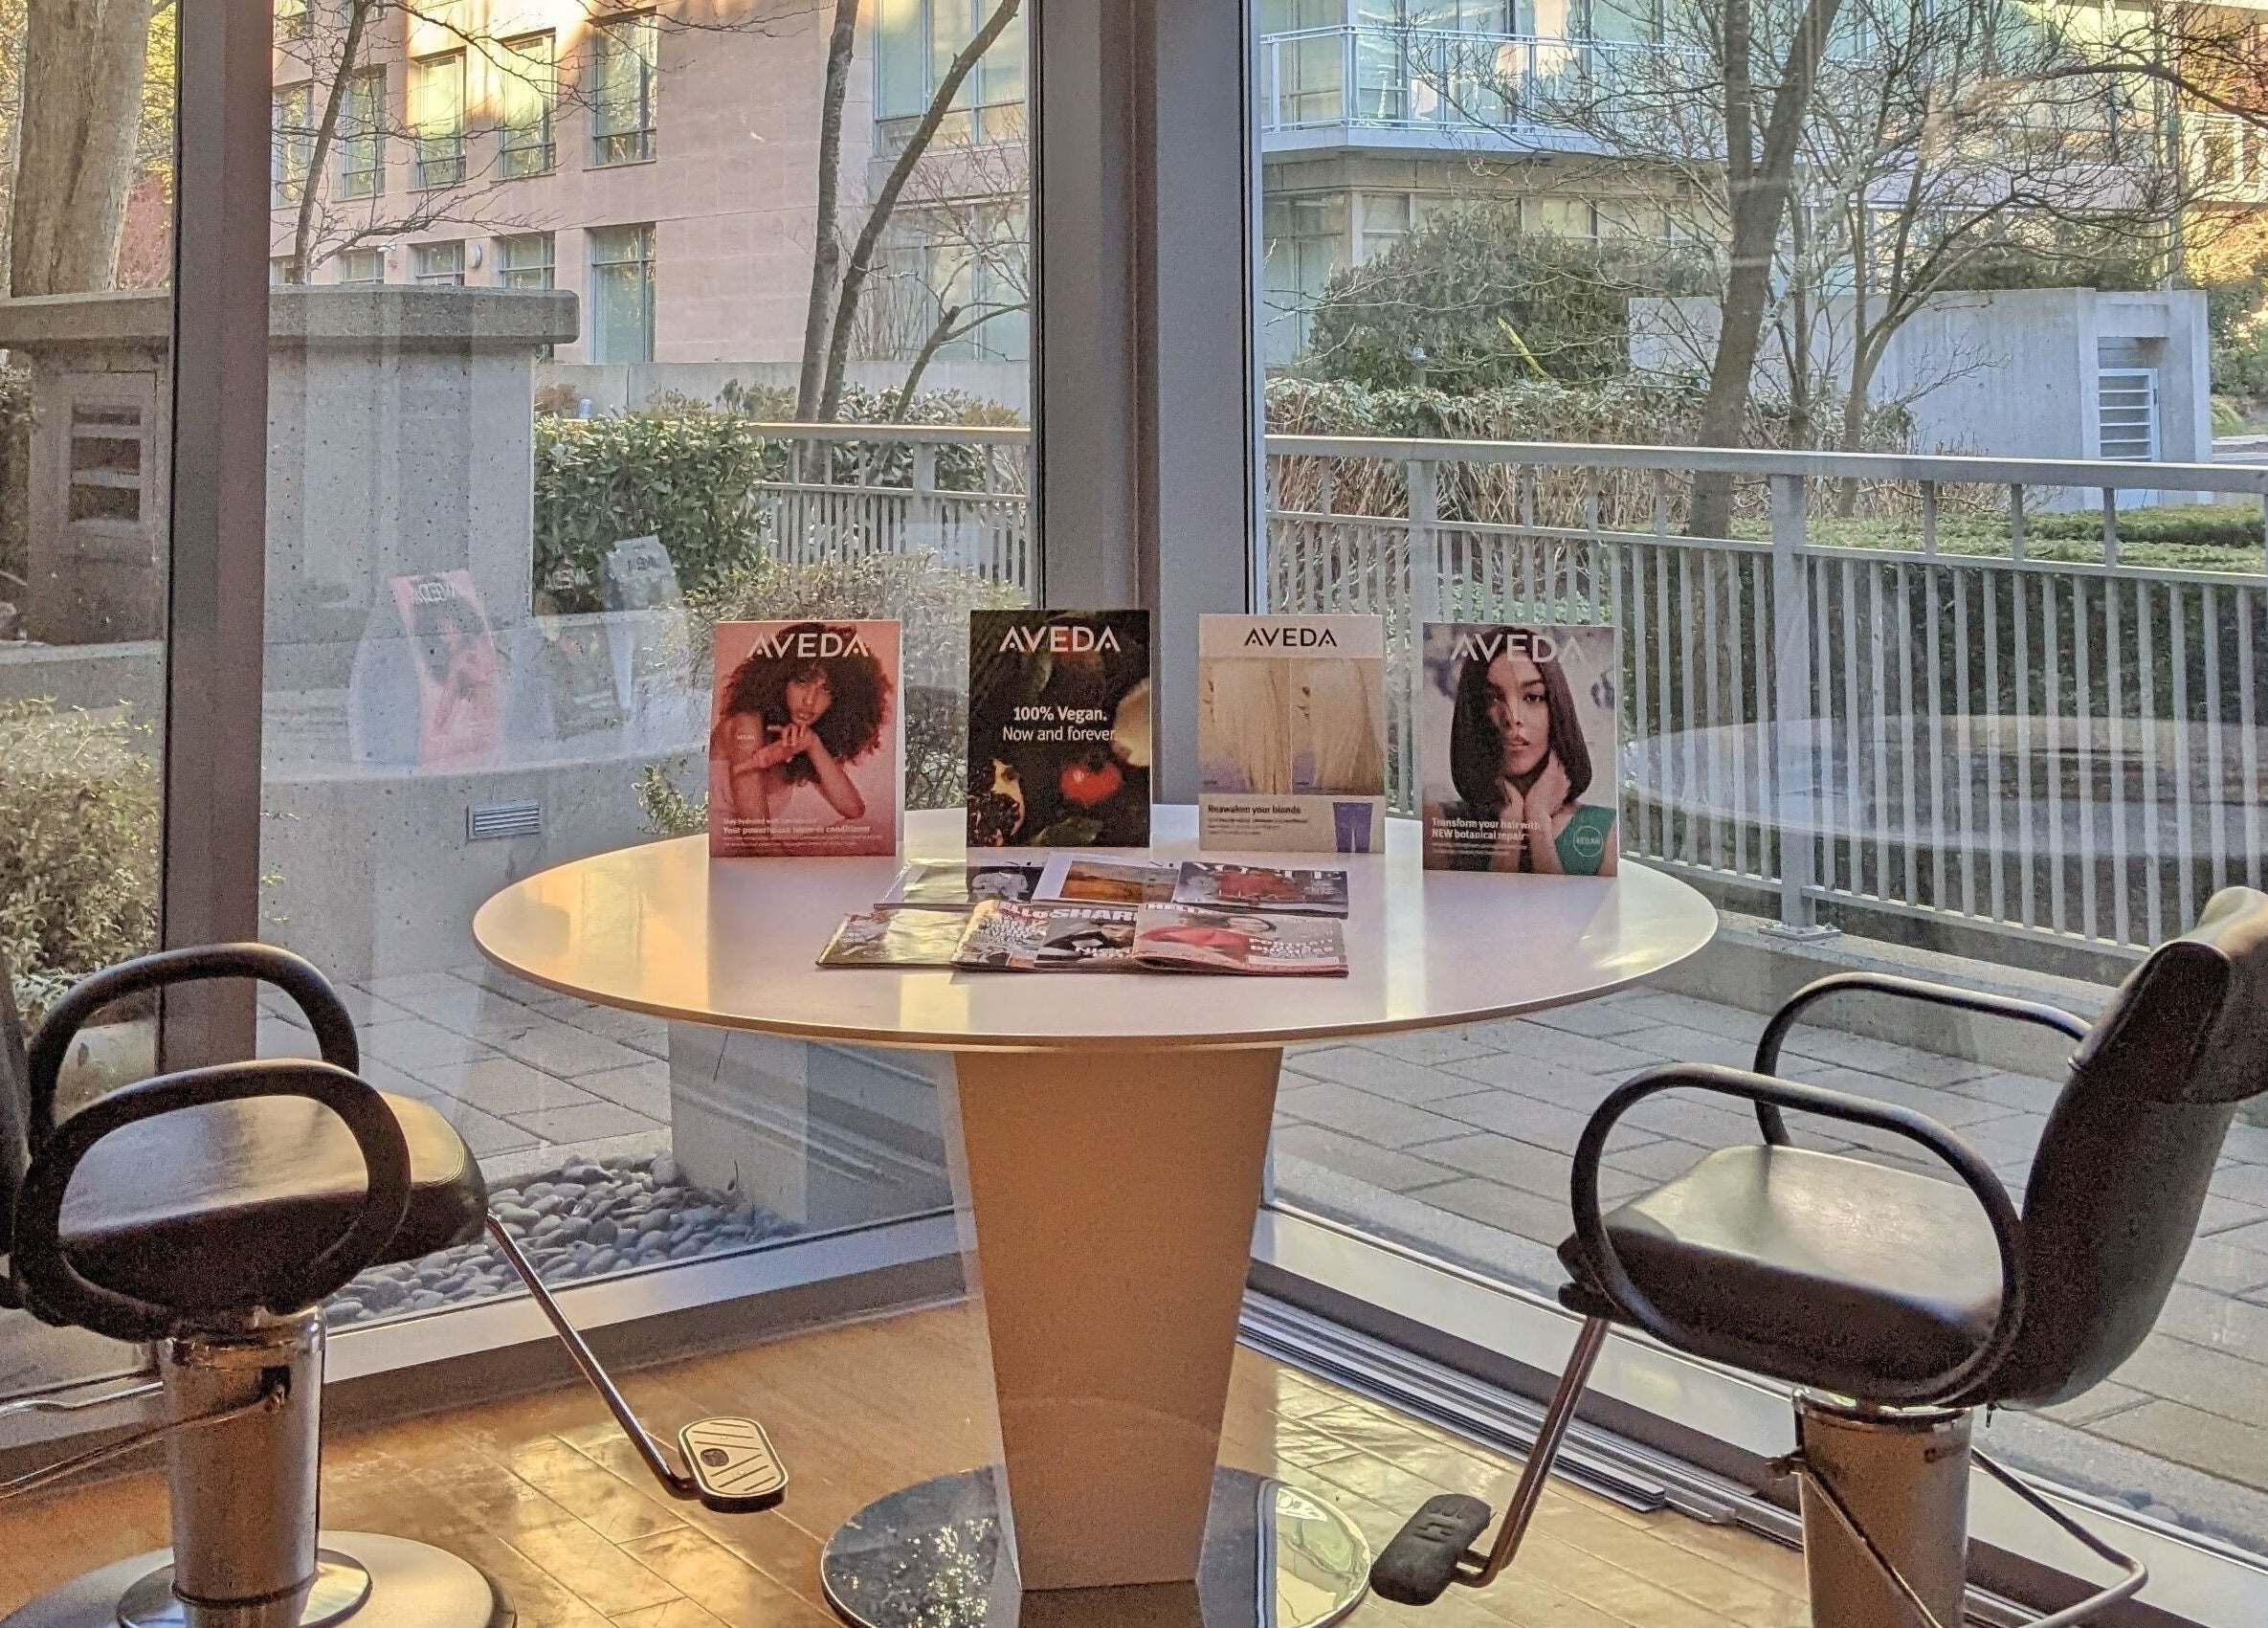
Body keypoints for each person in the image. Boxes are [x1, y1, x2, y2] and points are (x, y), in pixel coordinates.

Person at [1443, 632, 1617, 876]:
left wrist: (1537, 822)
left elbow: (1560, 913)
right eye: (1493, 699)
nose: (1512, 717)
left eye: (1533, 697)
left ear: (1556, 708)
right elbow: (1487, 909)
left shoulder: (1605, 829)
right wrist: (1511, 823)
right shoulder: (1442, 822)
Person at [711, 622, 891, 849]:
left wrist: (812, 744)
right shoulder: (746, 723)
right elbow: (758, 841)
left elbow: (854, 810)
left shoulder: (794, 737)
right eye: (802, 682)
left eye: (826, 690)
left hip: (756, 861)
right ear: (779, 681)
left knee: (870, 828)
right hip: (734, 867)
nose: (809, 700)